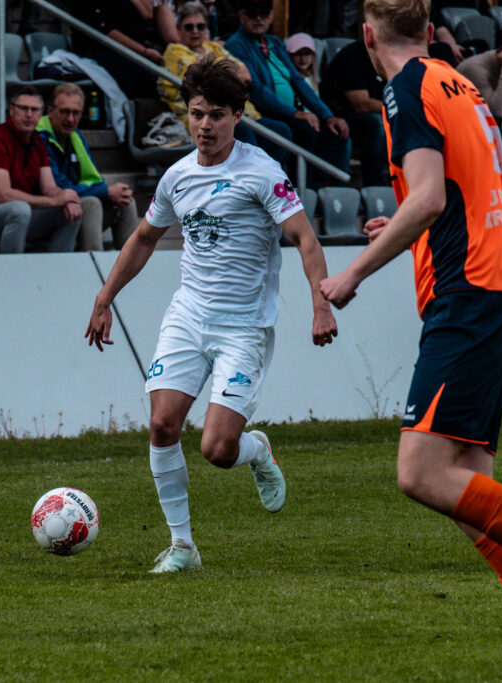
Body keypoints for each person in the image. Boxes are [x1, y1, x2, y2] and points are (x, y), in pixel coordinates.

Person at [86, 55, 337, 572]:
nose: (205, 125)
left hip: (243, 326)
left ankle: (257, 451)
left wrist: (320, 304)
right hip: (188, 316)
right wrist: (105, 297)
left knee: (218, 450)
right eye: (197, 113)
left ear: (237, 116)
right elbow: (144, 238)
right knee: (162, 424)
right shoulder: (177, 176)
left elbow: (305, 239)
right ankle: (183, 547)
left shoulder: (261, 172)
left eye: (217, 115)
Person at [320, 0, 502, 612]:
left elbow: (430, 198)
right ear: (430, 31)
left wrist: (353, 271)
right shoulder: (461, 85)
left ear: (367, 36)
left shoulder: (405, 89)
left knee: (422, 472)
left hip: (468, 292)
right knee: (469, 483)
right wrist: (410, 226)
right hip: (501, 286)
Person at [225, 0, 350, 185]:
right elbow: (256, 90)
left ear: (270, 16)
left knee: (336, 133)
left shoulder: (275, 42)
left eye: (263, 14)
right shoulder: (236, 45)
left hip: (291, 112)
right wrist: (295, 113)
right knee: (305, 130)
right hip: (266, 113)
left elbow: (298, 81)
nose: (259, 19)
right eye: (253, 14)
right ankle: (301, 190)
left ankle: (331, 194)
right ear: (242, 16)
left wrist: (327, 116)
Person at [0, 87, 82, 253]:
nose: (29, 115)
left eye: (34, 110)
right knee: (19, 210)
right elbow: (3, 195)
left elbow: (49, 188)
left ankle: (58, 268)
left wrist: (68, 200)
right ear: (11, 110)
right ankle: (13, 268)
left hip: (11, 216)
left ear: (41, 114)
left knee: (70, 213)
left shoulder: (38, 142)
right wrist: (53, 201)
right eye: (23, 108)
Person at [37, 83, 139, 251]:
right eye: (64, 112)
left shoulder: (75, 136)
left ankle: (132, 265)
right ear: (50, 111)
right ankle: (93, 261)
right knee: (91, 203)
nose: (70, 119)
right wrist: (105, 192)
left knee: (125, 202)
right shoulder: (39, 137)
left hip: (74, 205)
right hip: (49, 211)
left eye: (76, 113)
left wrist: (111, 193)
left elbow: (93, 178)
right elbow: (58, 186)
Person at [158, 2, 263, 146]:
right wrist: (229, 76)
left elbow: (245, 74)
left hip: (239, 112)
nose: (195, 31)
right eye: (189, 27)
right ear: (178, 29)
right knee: (244, 133)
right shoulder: (174, 52)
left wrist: (222, 77)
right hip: (204, 117)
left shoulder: (213, 47)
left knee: (281, 130)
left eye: (200, 26)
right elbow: (206, 84)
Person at [319, 38, 389, 186]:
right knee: (377, 122)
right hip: (337, 117)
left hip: (369, 117)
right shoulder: (354, 55)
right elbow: (361, 104)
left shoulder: (390, 57)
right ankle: (375, 186)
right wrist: (400, 107)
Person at [70, 0, 166, 99]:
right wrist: (144, 51)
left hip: (139, 47)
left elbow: (148, 14)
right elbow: (106, 32)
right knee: (157, 81)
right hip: (104, 49)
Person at [456, 28, 502, 146]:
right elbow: (495, 111)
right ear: (501, 50)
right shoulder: (476, 68)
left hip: (485, 118)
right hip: (463, 120)